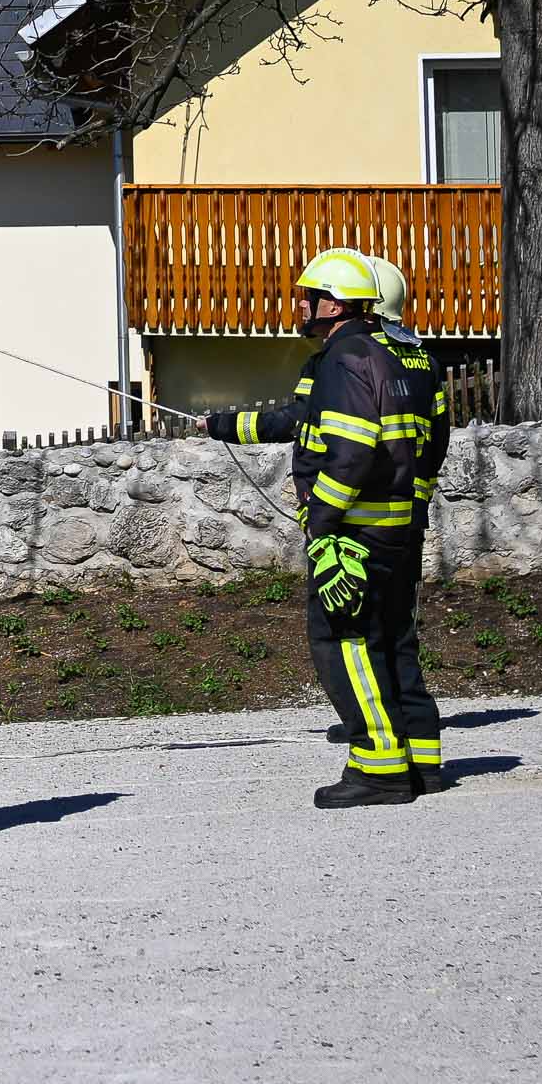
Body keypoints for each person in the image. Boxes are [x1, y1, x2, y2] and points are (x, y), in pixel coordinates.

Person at [197, 249, 444, 805]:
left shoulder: (345, 359)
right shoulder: (400, 356)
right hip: (397, 526)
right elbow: (301, 420)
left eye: (307, 297)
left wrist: (324, 524)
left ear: (331, 303)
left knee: (347, 642)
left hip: (355, 531)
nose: (299, 306)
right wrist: (224, 425)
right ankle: (421, 761)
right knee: (393, 639)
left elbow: (351, 450)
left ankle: (379, 768)